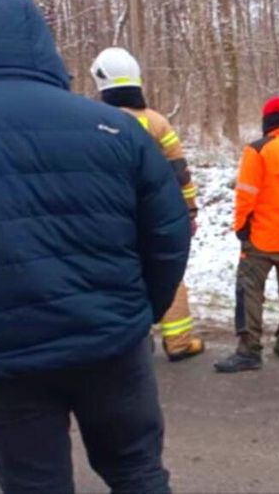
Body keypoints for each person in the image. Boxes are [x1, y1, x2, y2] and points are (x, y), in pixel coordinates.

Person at [0, 0, 187, 492]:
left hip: (5, 360)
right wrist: (138, 312)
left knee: (34, 485)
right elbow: (167, 233)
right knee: (137, 472)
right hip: (111, 342)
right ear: (42, 45)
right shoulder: (116, 128)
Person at [90, 47, 206, 361]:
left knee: (116, 275)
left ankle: (132, 342)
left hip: (110, 215)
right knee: (168, 272)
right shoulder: (157, 123)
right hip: (156, 213)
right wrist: (189, 211)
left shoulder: (92, 122)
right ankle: (179, 341)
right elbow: (180, 172)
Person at [215, 97, 279, 373]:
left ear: (268, 121)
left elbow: (246, 194)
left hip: (261, 236)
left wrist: (241, 228)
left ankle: (249, 350)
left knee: (249, 291)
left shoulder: (258, 150)